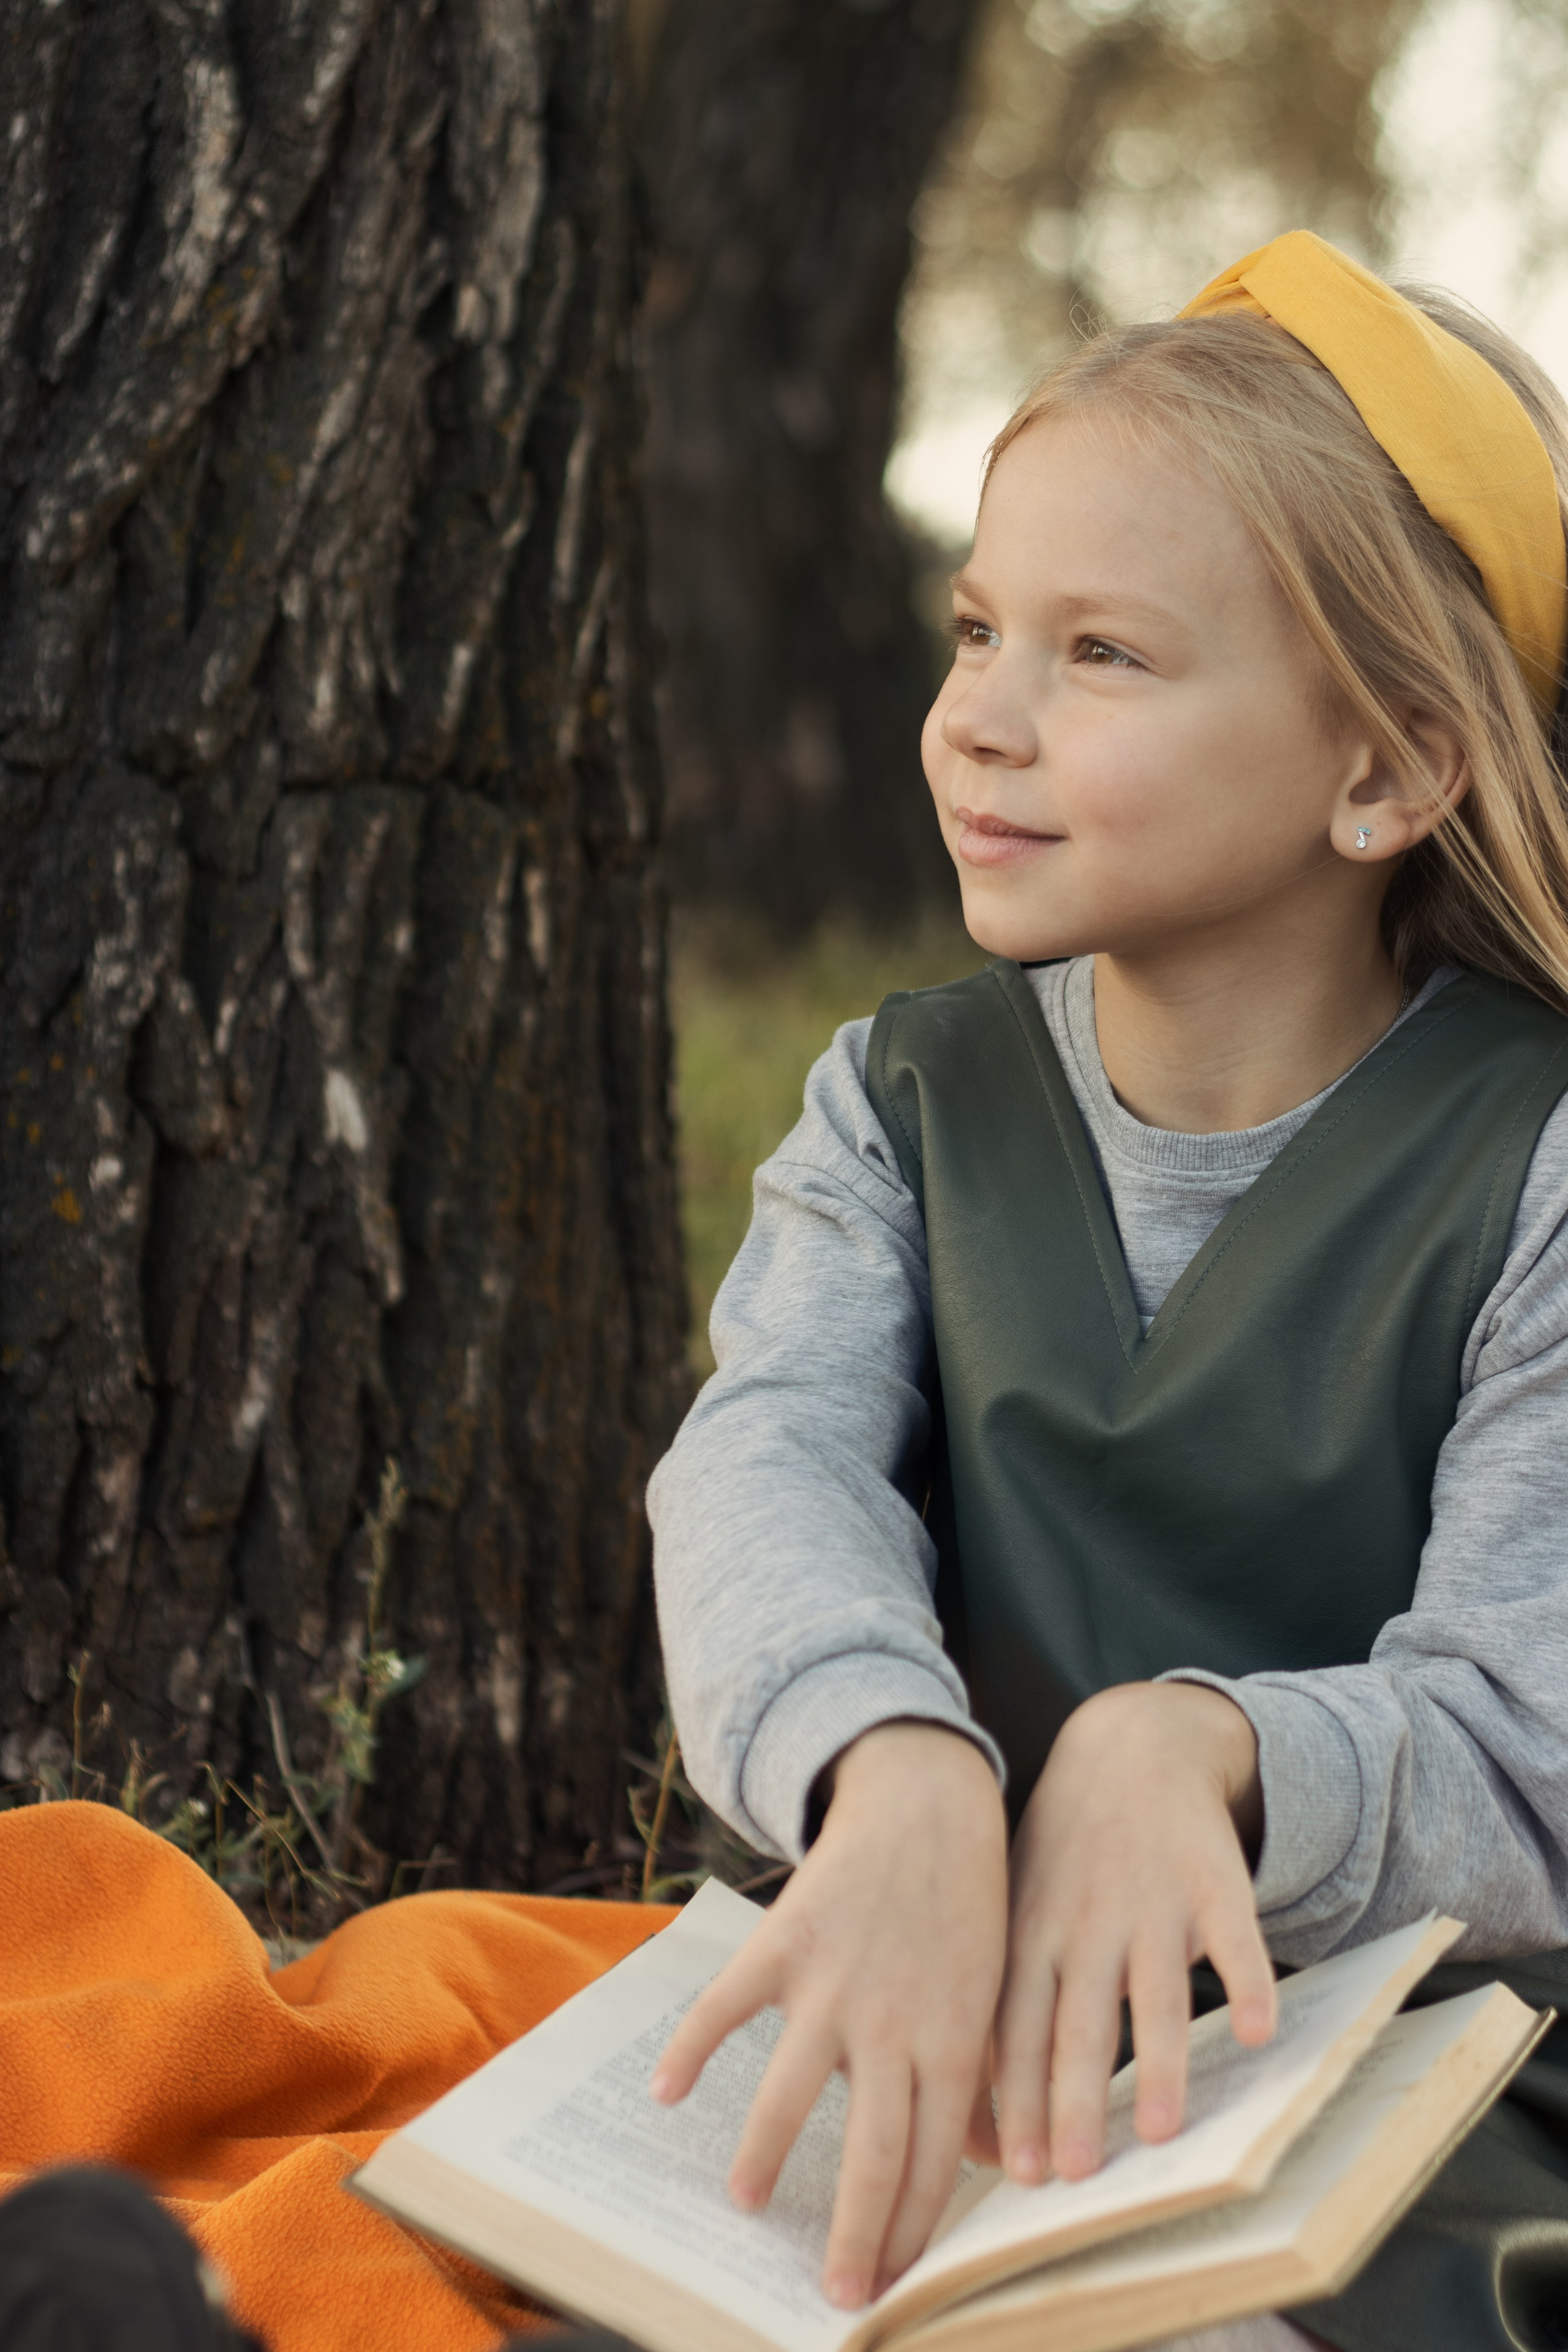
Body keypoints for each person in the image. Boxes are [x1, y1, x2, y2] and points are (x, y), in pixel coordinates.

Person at [646, 231, 1568, 2351]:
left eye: (1104, 656)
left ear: (1384, 773)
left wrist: (1200, 1752)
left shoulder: (1532, 1167)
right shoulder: (904, 1105)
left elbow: (1528, 1743)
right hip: (940, 2021)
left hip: (1405, 2108)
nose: (981, 718)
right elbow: (762, 1465)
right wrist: (896, 1765)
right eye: (979, 628)